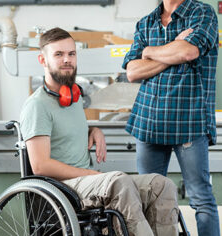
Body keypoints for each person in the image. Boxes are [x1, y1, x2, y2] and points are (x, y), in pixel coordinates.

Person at [20, 27, 179, 236]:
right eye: (58, 54)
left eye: (71, 53)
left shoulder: (73, 98)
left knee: (160, 184)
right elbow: (41, 165)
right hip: (62, 189)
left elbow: (63, 134)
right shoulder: (37, 106)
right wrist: (88, 173)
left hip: (87, 183)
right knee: (118, 182)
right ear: (43, 60)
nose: (67, 59)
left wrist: (93, 130)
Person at [122, 0, 220, 236]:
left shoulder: (202, 14)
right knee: (147, 200)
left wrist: (149, 53)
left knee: (201, 198)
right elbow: (131, 72)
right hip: (149, 122)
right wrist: (165, 52)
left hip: (189, 121)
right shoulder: (146, 23)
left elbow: (189, 51)